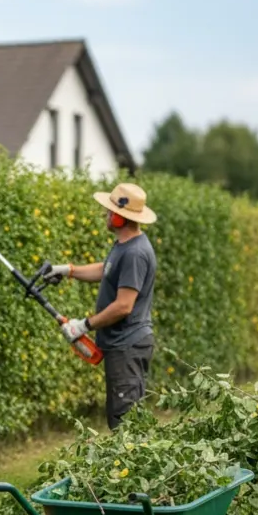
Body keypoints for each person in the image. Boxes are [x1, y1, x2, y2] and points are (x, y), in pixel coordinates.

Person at [41, 182, 158, 430]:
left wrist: (83, 326)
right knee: (121, 415)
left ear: (118, 217)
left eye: (109, 212)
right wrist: (68, 270)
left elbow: (123, 306)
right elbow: (105, 270)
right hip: (122, 345)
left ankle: (134, 469)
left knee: (126, 421)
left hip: (128, 345)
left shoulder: (135, 253)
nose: (105, 215)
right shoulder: (124, 246)